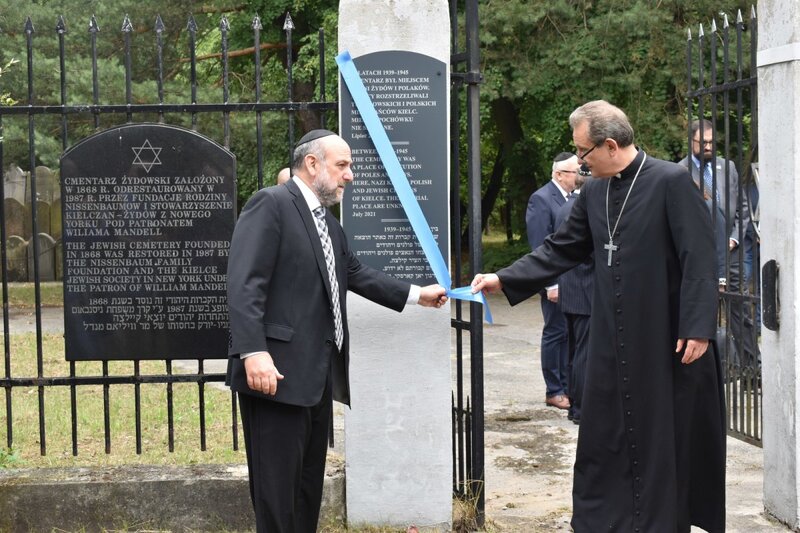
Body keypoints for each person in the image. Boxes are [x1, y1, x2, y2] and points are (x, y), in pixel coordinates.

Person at [471, 101, 725, 532]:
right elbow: (561, 248)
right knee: (607, 438)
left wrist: (698, 327)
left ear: (610, 145)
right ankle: (607, 521)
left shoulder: (671, 181)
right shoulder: (594, 192)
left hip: (667, 337)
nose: (578, 162)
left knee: (664, 436)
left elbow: (699, 258)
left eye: (583, 153)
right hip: (613, 339)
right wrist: (504, 278)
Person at [226, 129, 448, 533]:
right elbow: (245, 282)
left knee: (307, 488)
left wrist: (419, 295)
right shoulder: (271, 204)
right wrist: (253, 351)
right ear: (312, 164)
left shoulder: (325, 220)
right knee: (277, 493)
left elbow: (354, 273)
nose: (350, 176)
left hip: (316, 375)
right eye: (342, 165)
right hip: (274, 374)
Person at [679, 119, 759, 368]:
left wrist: (735, 236)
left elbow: (742, 207)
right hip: (701, 255)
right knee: (704, 313)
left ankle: (751, 367)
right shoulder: (679, 172)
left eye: (712, 142)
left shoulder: (728, 167)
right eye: (702, 142)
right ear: (690, 140)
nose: (708, 147)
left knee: (741, 310)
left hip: (732, 252)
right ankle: (711, 369)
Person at [525, 152, 580, 410]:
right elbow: (539, 246)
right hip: (555, 282)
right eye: (574, 172)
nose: (579, 175)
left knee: (571, 334)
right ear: (559, 174)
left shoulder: (575, 198)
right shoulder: (542, 199)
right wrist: (551, 284)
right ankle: (554, 389)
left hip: (576, 281)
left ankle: (570, 386)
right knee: (555, 332)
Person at [553, 168, 593, 425]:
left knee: (574, 352)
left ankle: (574, 403)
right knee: (584, 354)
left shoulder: (565, 206)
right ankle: (579, 408)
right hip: (586, 290)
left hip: (572, 290)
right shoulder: (582, 208)